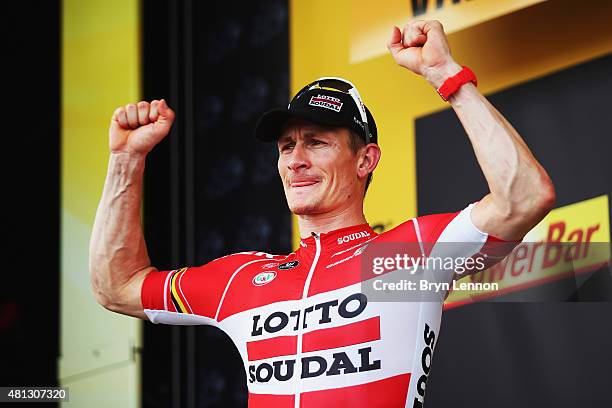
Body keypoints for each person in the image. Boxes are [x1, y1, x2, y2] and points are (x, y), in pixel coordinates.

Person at [90, 20, 554, 407]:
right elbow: (117, 286)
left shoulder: (407, 255)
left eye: (316, 142)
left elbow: (524, 197)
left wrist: (445, 75)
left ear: (365, 160)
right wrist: (126, 161)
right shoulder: (241, 279)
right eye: (287, 146)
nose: (295, 160)